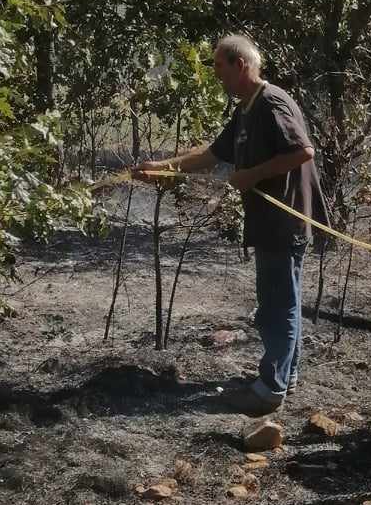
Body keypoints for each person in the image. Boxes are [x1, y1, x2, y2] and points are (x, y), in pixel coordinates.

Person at [135, 35, 327, 414]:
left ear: (240, 65)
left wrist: (252, 174)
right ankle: (284, 377)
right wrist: (159, 169)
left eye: (219, 67)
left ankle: (270, 390)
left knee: (277, 306)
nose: (216, 77)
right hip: (270, 223)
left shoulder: (271, 103)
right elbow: (211, 155)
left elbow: (303, 151)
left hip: (283, 222)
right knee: (282, 302)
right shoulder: (245, 110)